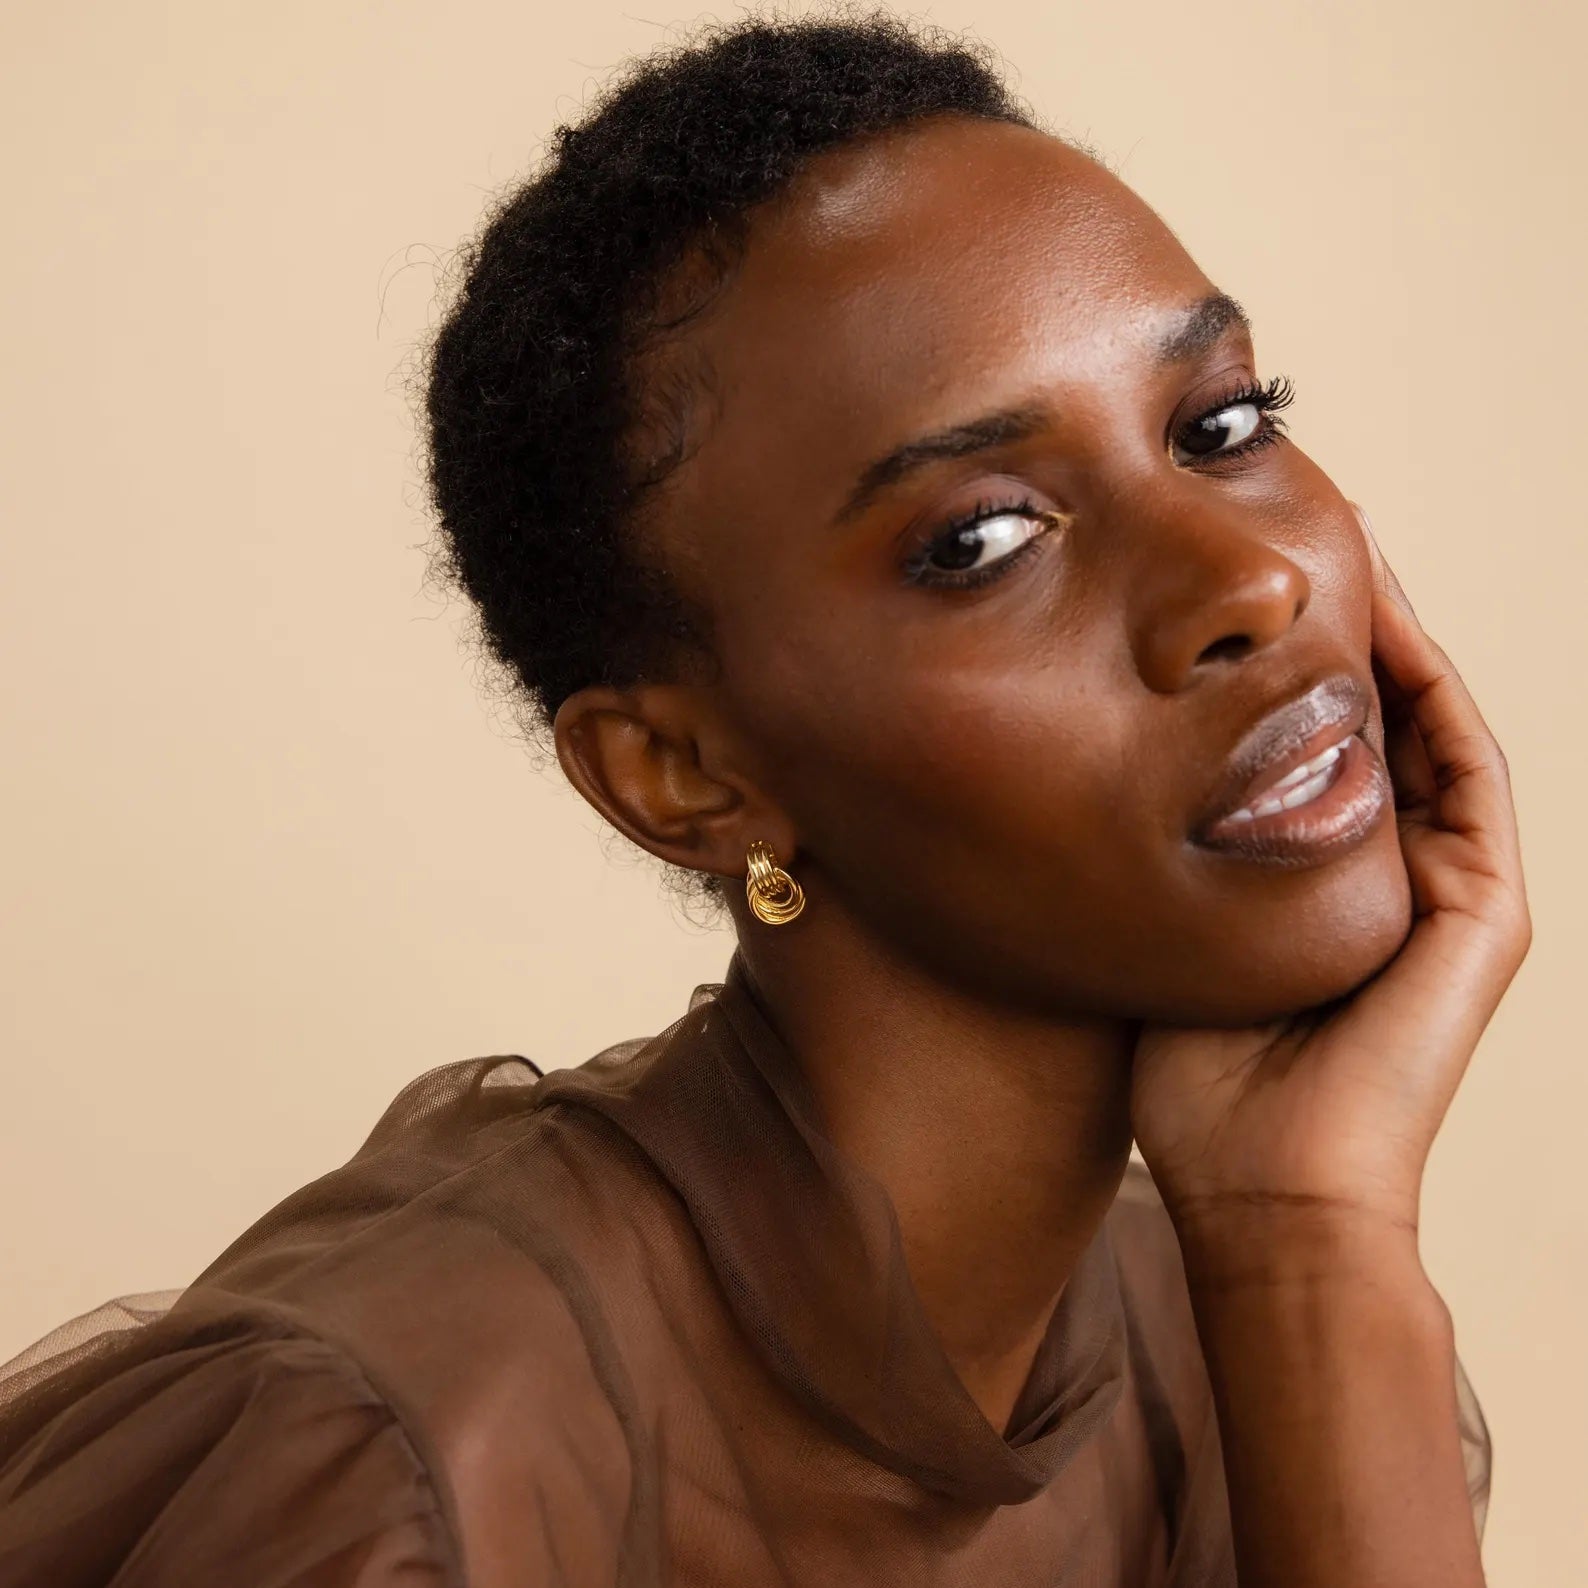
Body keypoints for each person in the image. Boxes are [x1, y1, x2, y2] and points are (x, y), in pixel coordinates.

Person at [0, 13, 1529, 1587]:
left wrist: (1306, 1240)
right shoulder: (400, 1471)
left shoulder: (1206, 1329)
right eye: (986, 541)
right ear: (684, 778)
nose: (1253, 577)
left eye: (1220, 426)